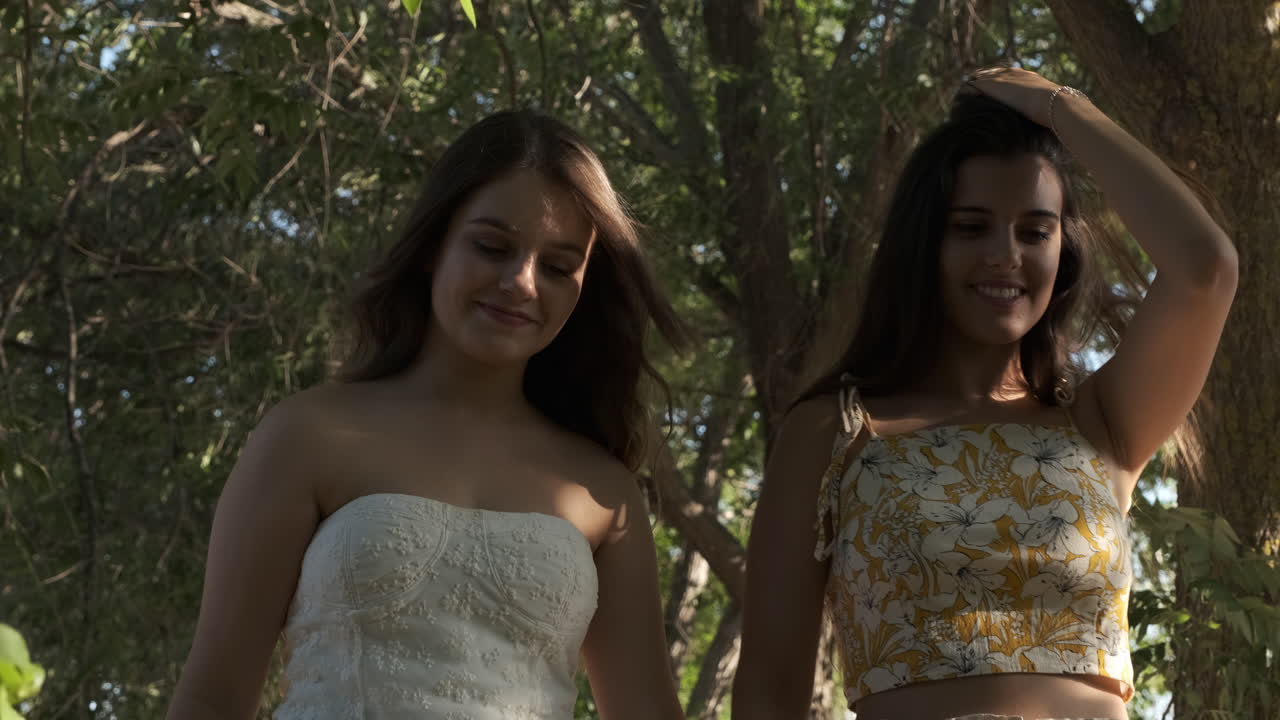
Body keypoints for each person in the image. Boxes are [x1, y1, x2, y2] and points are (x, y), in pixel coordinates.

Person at [733, 68, 1237, 720]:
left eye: (1035, 231)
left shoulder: (1101, 421)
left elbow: (1206, 267)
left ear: (1064, 250)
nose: (1006, 255)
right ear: (924, 243)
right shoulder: (835, 432)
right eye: (971, 228)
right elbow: (769, 691)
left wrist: (1061, 109)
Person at [166, 110, 687, 720]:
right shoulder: (309, 436)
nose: (521, 283)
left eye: (556, 266)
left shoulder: (604, 490)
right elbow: (211, 699)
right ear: (431, 247)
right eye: (492, 247)